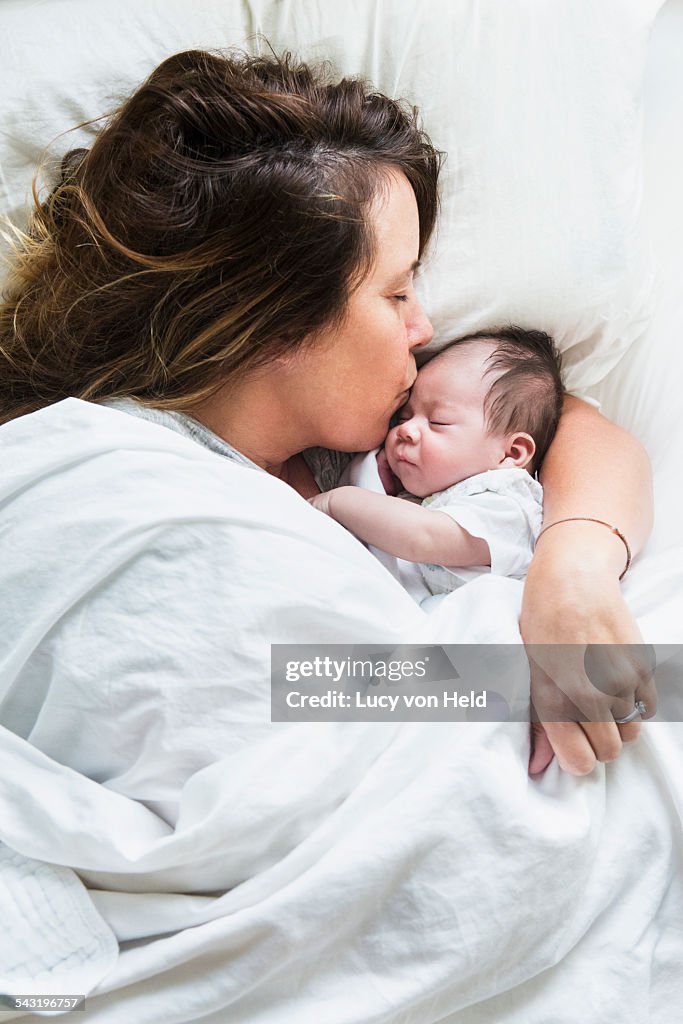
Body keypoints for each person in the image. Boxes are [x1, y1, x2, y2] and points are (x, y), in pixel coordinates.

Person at [0, 47, 654, 796]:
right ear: (278, 321)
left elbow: (575, 426)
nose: (423, 326)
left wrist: (568, 573)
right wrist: (495, 685)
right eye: (396, 294)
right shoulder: (108, 479)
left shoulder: (380, 430)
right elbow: (297, 710)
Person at [308, 327, 563, 599]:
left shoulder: (508, 505)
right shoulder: (440, 494)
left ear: (511, 453)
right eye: (403, 418)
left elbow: (422, 536)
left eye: (438, 421)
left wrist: (335, 502)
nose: (406, 431)